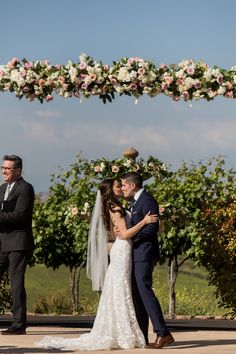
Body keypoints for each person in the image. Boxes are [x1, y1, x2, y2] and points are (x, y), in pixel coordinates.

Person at [36, 178, 158, 350]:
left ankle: (122, 330)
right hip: (123, 249)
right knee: (121, 289)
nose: (121, 188)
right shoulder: (115, 208)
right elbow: (124, 234)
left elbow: (118, 232)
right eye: (118, 186)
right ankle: (123, 332)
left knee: (120, 288)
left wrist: (120, 230)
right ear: (111, 190)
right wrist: (143, 222)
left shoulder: (113, 206)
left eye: (122, 185)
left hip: (122, 249)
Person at [120, 172, 174, 349]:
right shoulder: (135, 202)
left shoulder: (147, 200)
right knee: (137, 295)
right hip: (136, 254)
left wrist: (130, 238)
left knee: (145, 291)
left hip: (144, 253)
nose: (122, 188)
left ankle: (163, 333)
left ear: (132, 185)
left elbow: (152, 229)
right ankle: (142, 335)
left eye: (124, 185)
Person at [0, 154, 35, 335]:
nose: (4, 171)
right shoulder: (2, 188)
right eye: (3, 168)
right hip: (2, 243)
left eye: (8, 168)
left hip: (18, 243)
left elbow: (20, 216)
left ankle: (19, 324)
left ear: (18, 170)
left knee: (16, 284)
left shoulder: (25, 188)